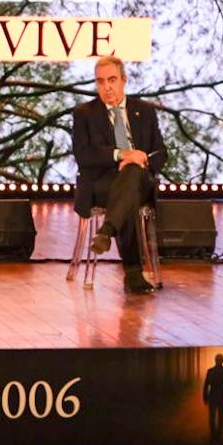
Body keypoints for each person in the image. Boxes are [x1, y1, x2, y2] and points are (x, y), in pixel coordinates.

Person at [71, 55, 168, 295]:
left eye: (112, 80)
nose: (107, 87)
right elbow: (83, 155)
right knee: (128, 193)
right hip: (101, 184)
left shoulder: (144, 110)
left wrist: (141, 159)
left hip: (139, 180)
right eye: (100, 81)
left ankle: (108, 230)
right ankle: (132, 273)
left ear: (124, 80)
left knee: (133, 174)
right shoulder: (84, 113)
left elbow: (161, 153)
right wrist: (121, 155)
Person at [202, 354, 223, 442]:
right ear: (222, 361)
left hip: (213, 397)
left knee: (213, 417)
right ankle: (218, 434)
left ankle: (213, 435)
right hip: (222, 397)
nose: (219, 361)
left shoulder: (210, 371)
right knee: (220, 417)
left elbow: (206, 385)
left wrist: (205, 397)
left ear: (215, 360)